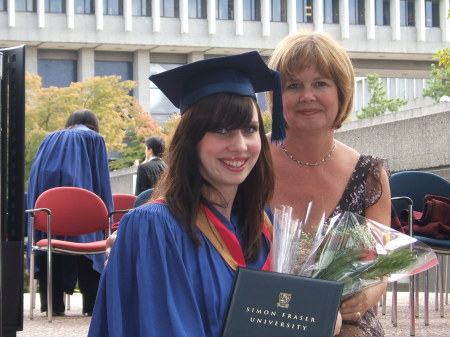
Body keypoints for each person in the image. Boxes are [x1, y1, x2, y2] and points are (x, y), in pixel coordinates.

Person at [89, 51, 335, 337]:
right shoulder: (155, 228)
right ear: (191, 140)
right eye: (221, 130)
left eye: (249, 128)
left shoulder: (263, 225)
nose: (240, 145)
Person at [266, 32, 391, 337]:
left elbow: (380, 264)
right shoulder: (250, 161)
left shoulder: (369, 174)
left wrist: (363, 298)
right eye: (294, 85)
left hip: (344, 322)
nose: (307, 96)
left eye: (320, 83)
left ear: (342, 91)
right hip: (262, 314)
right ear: (276, 96)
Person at [27, 109, 113, 316]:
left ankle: (53, 305)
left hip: (47, 211)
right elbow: (101, 180)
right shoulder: (94, 139)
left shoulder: (49, 139)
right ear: (93, 123)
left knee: (52, 239)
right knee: (86, 240)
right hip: (83, 209)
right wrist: (106, 214)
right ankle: (92, 306)